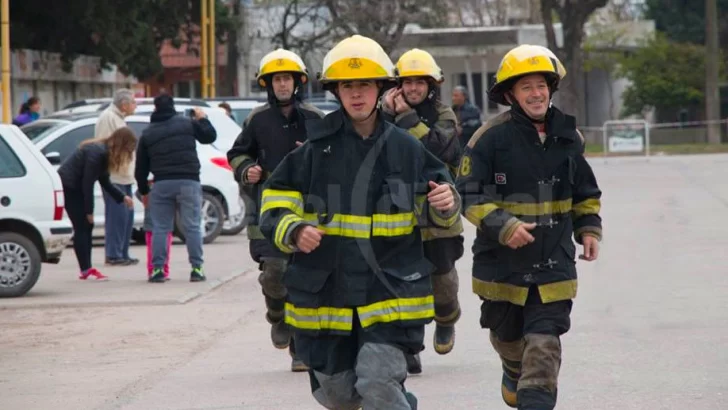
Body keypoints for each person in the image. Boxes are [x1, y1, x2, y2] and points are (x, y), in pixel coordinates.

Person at [259, 34, 461, 410]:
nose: (356, 94)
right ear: (336, 91)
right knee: (338, 395)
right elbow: (275, 197)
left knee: (378, 384)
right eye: (347, 85)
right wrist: (293, 229)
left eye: (364, 84)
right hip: (328, 297)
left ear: (381, 88)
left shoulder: (405, 147)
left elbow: (442, 193)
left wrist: (446, 202)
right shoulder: (315, 150)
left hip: (389, 294)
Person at [455, 44, 603, 410]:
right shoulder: (488, 139)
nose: (536, 94)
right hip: (501, 264)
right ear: (510, 95)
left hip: (554, 261)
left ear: (551, 89)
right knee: (508, 337)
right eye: (526, 87)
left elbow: (584, 190)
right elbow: (467, 194)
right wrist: (503, 226)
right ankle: (511, 365)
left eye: (541, 85)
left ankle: (534, 400)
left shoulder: (571, 137)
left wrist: (588, 228)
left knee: (544, 341)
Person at [227, 48, 324, 372]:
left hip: (307, 211)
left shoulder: (314, 119)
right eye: (276, 80)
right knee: (274, 273)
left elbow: (333, 155)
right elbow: (237, 153)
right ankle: (277, 315)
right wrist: (246, 169)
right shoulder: (257, 119)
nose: (282, 85)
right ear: (268, 85)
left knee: (302, 277)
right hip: (266, 209)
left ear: (298, 82)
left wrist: (314, 157)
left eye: (287, 79)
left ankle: (299, 348)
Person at [381, 48, 464, 374]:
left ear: (432, 85)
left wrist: (405, 119)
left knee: (442, 278)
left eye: (420, 82)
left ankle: (446, 318)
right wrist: (387, 115)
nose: (413, 88)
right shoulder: (383, 113)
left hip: (437, 210)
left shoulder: (445, 115)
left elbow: (436, 149)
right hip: (397, 209)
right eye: (407, 82)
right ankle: (408, 348)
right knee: (402, 283)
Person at [135, 95, 217, 283]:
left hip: (162, 184)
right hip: (189, 182)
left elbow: (141, 169)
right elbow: (210, 136)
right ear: (172, 107)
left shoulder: (148, 133)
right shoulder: (187, 124)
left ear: (155, 109)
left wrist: (144, 192)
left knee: (161, 228)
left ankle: (157, 271)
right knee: (192, 227)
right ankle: (197, 269)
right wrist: (202, 118)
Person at [57, 127, 136, 280]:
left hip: (76, 187)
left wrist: (122, 197)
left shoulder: (104, 153)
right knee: (82, 226)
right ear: (121, 145)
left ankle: (87, 268)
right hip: (69, 187)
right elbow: (87, 184)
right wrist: (89, 211)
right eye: (128, 149)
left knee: (86, 226)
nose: (128, 154)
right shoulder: (97, 153)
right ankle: (86, 269)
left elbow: (105, 181)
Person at [95, 88, 138, 266]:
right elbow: (103, 145)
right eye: (134, 102)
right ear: (124, 104)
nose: (135, 106)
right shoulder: (108, 118)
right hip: (114, 176)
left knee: (127, 217)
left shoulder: (119, 118)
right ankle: (114, 254)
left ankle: (123, 252)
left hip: (125, 175)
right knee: (116, 217)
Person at [135, 182, 173, 281]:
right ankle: (160, 270)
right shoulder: (163, 185)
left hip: (153, 222)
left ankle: (156, 270)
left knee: (156, 248)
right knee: (164, 247)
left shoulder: (149, 186)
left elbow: (139, 193)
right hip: (161, 222)